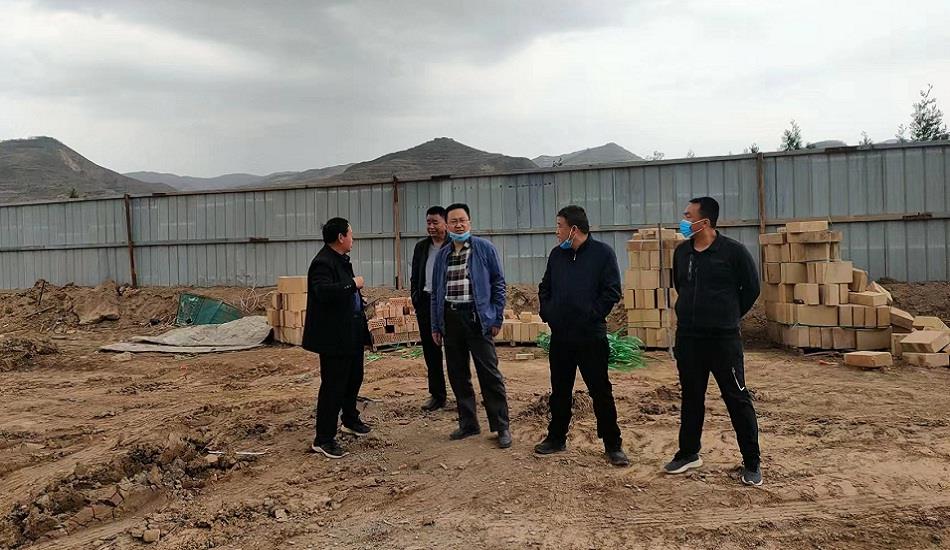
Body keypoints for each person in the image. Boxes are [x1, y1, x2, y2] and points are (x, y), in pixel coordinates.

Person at [664, 197, 763, 486]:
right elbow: (680, 285)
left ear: (704, 222)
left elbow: (751, 289)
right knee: (691, 397)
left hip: (723, 340)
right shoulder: (682, 253)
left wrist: (728, 315)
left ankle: (752, 462)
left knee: (737, 398)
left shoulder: (733, 252)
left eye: (688, 216)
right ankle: (688, 453)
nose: (683, 220)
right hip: (689, 339)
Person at [534, 205, 630, 467]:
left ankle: (613, 444)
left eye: (559, 226)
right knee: (560, 391)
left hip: (591, 337)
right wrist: (548, 313)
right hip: (561, 337)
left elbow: (612, 291)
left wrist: (591, 315)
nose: (556, 232)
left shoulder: (603, 254)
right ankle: (556, 438)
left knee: (600, 391)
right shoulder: (557, 255)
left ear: (573, 229)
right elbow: (545, 287)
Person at [430, 203, 512, 449]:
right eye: (453, 221)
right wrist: (436, 325)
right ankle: (468, 423)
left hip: (477, 318)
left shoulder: (484, 249)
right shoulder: (443, 255)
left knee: (489, 374)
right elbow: (436, 293)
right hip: (451, 319)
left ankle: (501, 426)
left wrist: (496, 318)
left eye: (462, 220)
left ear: (469, 222)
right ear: (447, 225)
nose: (458, 225)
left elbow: (498, 283)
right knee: (458, 374)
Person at [302, 217, 372, 459]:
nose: (353, 239)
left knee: (354, 378)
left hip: (350, 332)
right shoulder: (322, 262)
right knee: (333, 386)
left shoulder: (341, 259)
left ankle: (350, 420)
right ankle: (323, 439)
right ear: (341, 237)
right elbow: (323, 292)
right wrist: (352, 285)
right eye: (350, 234)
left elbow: (340, 293)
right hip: (334, 338)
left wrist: (357, 298)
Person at [410, 206, 451, 411]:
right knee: (431, 351)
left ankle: (462, 395)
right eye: (428, 222)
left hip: (449, 303)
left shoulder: (454, 245)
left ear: (445, 223)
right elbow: (415, 275)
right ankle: (437, 395)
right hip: (426, 303)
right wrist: (416, 298)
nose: (431, 226)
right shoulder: (421, 247)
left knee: (454, 351)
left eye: (435, 222)